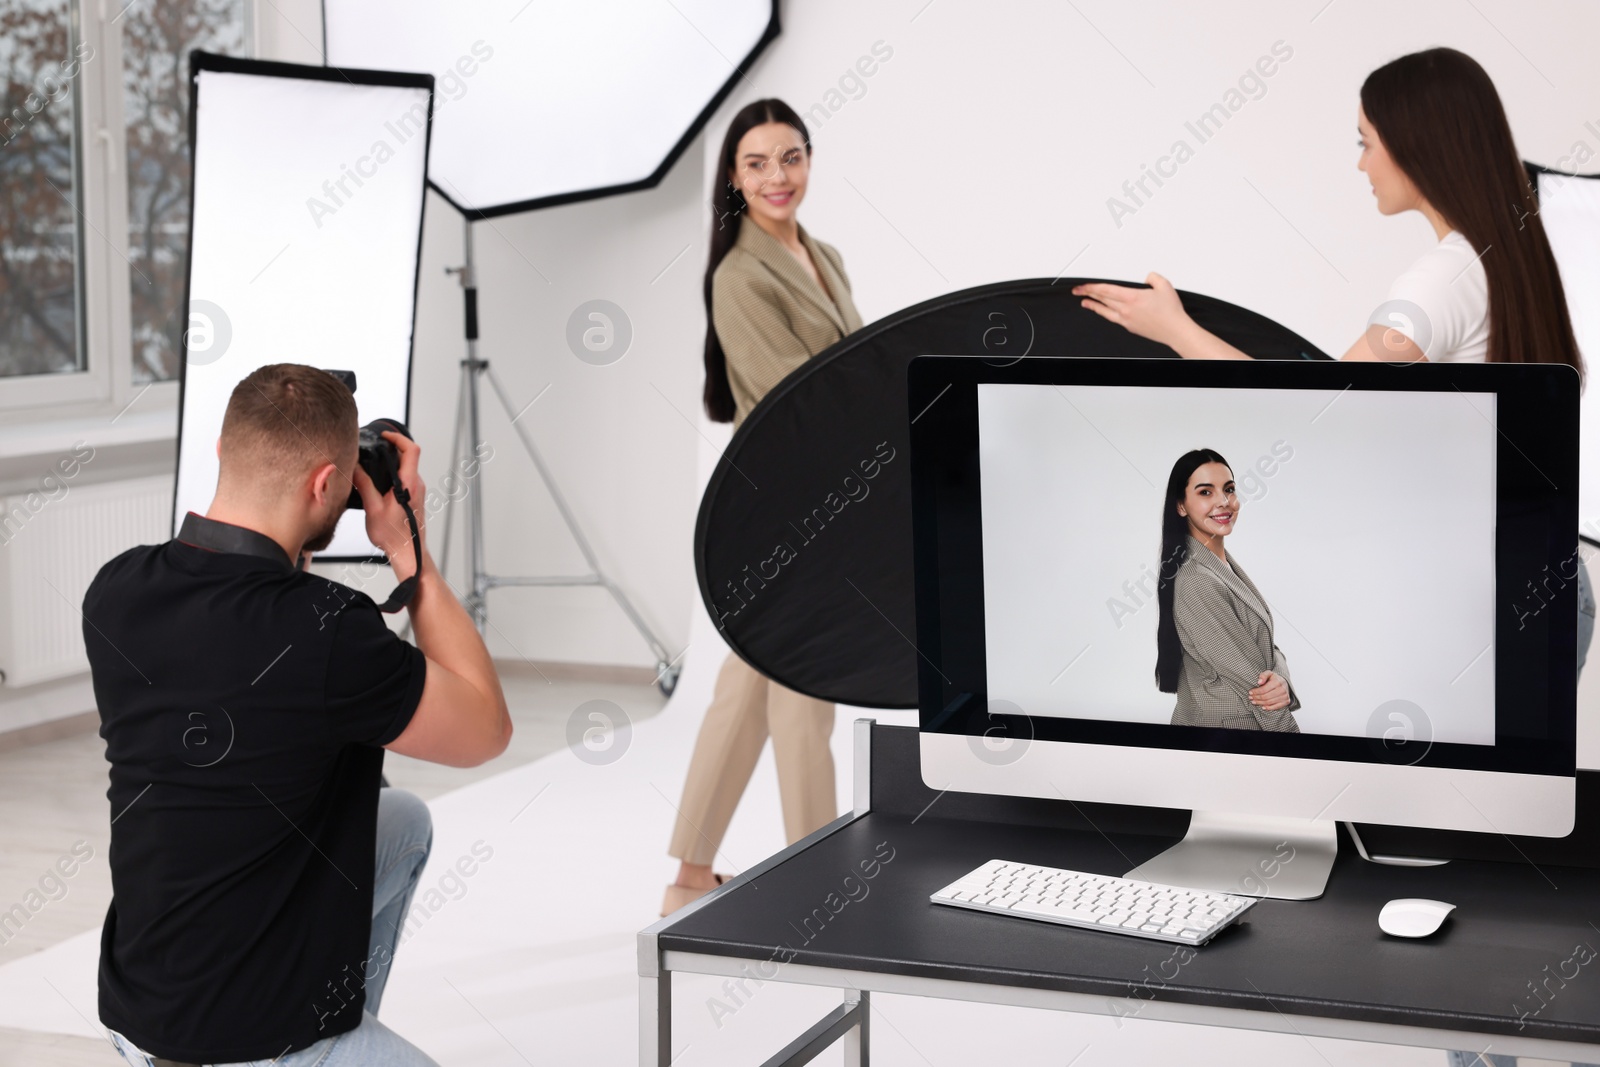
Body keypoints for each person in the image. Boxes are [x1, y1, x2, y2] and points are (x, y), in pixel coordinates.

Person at [1076, 47, 1591, 1066]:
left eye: (1364, 141)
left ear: (1415, 143)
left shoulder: (1445, 269)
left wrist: (1180, 334)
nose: (1357, 164)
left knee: (1451, 881)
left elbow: (1319, 404)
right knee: (1477, 877)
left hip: (1501, 596)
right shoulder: (1512, 251)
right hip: (1550, 577)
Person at [87, 364, 512, 1067]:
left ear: (223, 452)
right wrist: (409, 552)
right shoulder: (331, 632)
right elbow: (485, 731)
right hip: (244, 1038)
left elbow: (247, 639)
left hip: (138, 1010)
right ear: (327, 486)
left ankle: (328, 1027)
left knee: (401, 821)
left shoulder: (117, 589)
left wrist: (294, 533)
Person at [662, 99, 865, 915]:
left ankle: (687, 877)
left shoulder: (828, 256)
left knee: (747, 689)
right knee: (804, 700)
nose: (778, 177)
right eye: (757, 163)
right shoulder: (739, 274)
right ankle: (817, 880)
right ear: (734, 179)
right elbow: (795, 402)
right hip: (789, 509)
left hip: (825, 500)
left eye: (791, 157)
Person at [1156, 449, 1299, 732]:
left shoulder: (1220, 566)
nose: (1224, 502)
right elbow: (1257, 689)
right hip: (1225, 735)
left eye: (1229, 489)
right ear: (1181, 506)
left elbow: (1266, 650)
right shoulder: (1197, 580)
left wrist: (1281, 679)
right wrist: (1296, 751)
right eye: (1205, 492)